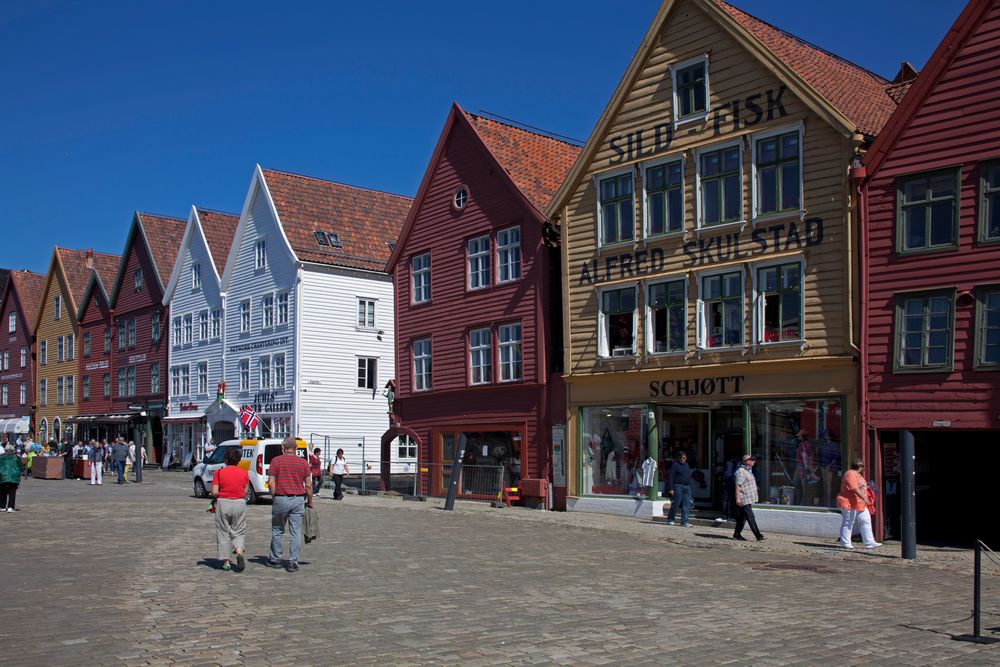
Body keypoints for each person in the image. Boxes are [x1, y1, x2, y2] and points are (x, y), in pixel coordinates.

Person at [266, 437, 313, 571]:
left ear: (283, 448)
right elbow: (308, 485)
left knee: (277, 530)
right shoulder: (303, 463)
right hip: (298, 499)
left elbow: (271, 482)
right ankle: (293, 561)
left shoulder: (276, 461)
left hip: (281, 497)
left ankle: (275, 559)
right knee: (295, 531)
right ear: (296, 449)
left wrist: (275, 496)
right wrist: (310, 501)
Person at [212, 447, 248, 572]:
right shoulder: (244, 473)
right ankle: (239, 552)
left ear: (226, 459)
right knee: (239, 530)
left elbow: (215, 491)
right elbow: (246, 490)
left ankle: (226, 562)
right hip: (239, 502)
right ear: (238, 460)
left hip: (224, 502)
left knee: (223, 531)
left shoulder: (219, 472)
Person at [837, 458, 881, 549]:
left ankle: (869, 542)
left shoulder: (858, 475)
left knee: (866, 520)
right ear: (860, 467)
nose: (863, 469)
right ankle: (845, 543)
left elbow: (862, 486)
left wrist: (872, 490)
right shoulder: (850, 474)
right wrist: (865, 498)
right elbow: (854, 488)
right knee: (848, 521)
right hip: (849, 502)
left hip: (859, 503)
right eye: (862, 467)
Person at [733, 454, 766, 541]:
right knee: (751, 517)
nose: (753, 461)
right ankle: (758, 535)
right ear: (746, 461)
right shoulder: (741, 471)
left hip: (747, 498)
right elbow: (738, 486)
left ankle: (737, 534)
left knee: (742, 518)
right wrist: (738, 498)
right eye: (751, 460)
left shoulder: (747, 471)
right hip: (744, 498)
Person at [665, 450, 693, 527]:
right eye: (680, 458)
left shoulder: (686, 464)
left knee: (687, 504)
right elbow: (671, 477)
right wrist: (671, 488)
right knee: (676, 503)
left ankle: (684, 521)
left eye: (684, 458)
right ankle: (670, 519)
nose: (682, 459)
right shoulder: (675, 465)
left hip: (686, 487)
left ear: (686, 457)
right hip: (678, 486)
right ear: (678, 458)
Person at [0, 444, 21, 512]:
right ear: (12, 451)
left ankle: (2, 506)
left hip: (2, 477)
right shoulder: (16, 457)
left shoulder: (1, 457)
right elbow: (20, 467)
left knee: (3, 492)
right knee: (12, 493)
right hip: (13, 477)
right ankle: (10, 507)